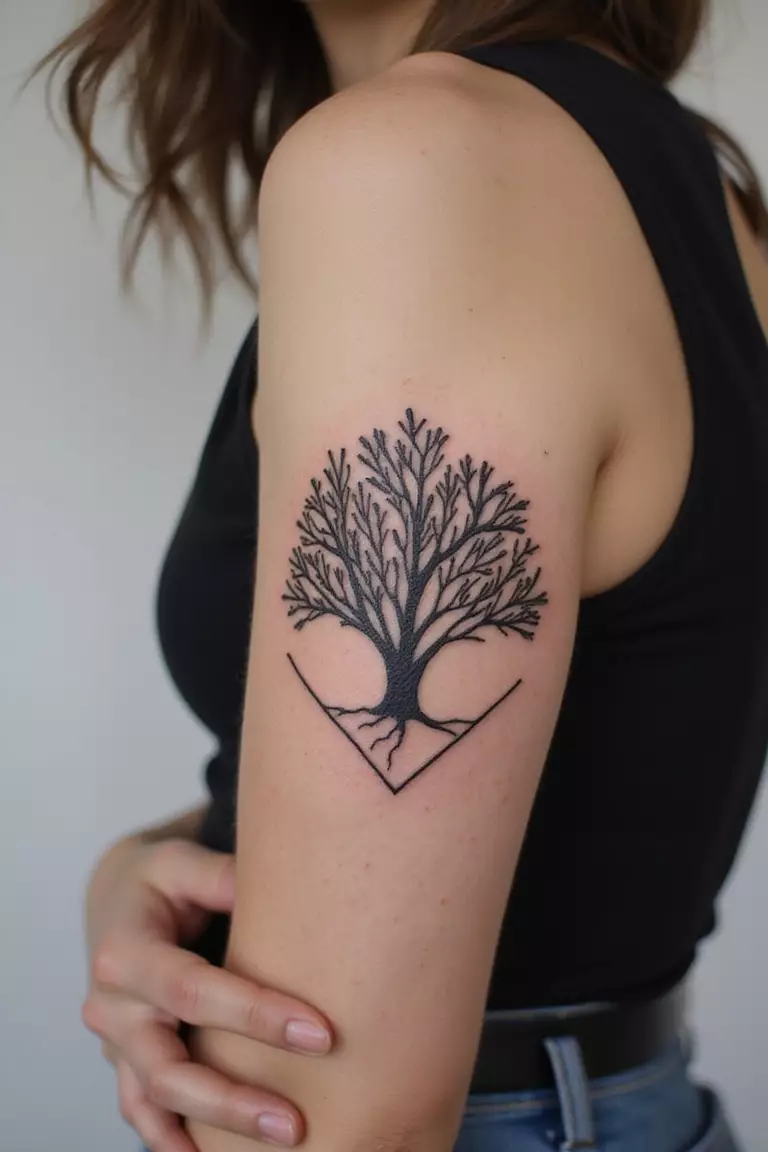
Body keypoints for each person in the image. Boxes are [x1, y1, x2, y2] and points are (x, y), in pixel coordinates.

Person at [38, 1, 768, 1150]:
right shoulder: (698, 191)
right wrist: (140, 868)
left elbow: (337, 1114)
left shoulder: (426, 166)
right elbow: (608, 774)